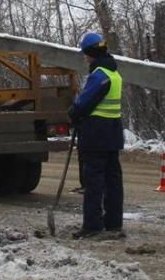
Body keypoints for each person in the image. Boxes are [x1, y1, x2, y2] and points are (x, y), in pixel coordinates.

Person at [67, 32, 125, 240]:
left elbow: (84, 103)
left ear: (91, 53)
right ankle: (113, 223)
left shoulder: (100, 75)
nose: (84, 58)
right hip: (112, 133)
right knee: (113, 181)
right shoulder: (114, 73)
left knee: (94, 181)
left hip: (96, 134)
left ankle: (92, 225)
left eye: (85, 54)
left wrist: (73, 113)